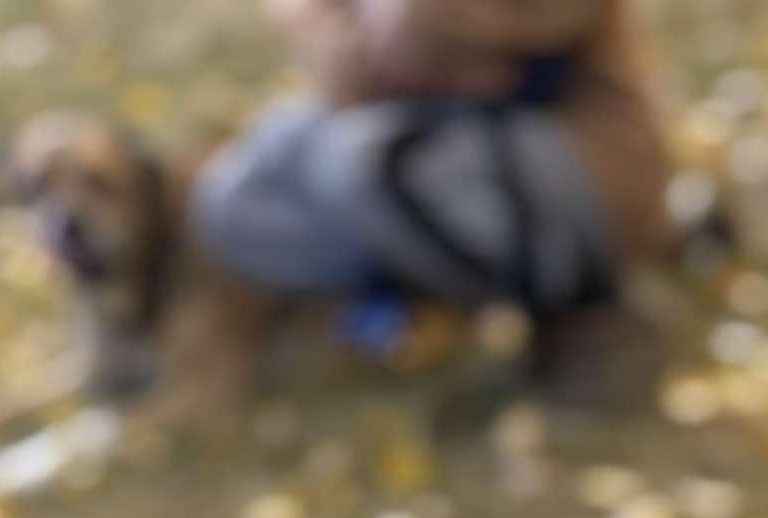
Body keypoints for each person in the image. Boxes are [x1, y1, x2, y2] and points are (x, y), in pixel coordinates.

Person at [189, 0, 678, 398]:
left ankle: (587, 306)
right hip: (439, 142)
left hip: (585, 167)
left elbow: (391, 61)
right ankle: (412, 310)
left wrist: (336, 28)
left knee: (362, 160)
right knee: (239, 194)